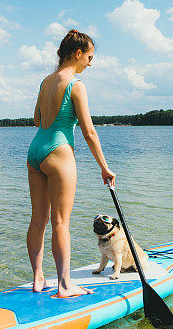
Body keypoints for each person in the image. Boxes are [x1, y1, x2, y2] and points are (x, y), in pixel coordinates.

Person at [26, 29, 116, 297]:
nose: (90, 63)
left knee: (38, 220)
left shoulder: (45, 81)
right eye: (89, 57)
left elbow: (37, 119)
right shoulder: (76, 85)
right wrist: (104, 167)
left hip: (36, 149)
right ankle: (64, 285)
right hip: (59, 152)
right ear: (77, 54)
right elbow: (89, 132)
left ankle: (38, 279)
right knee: (61, 222)